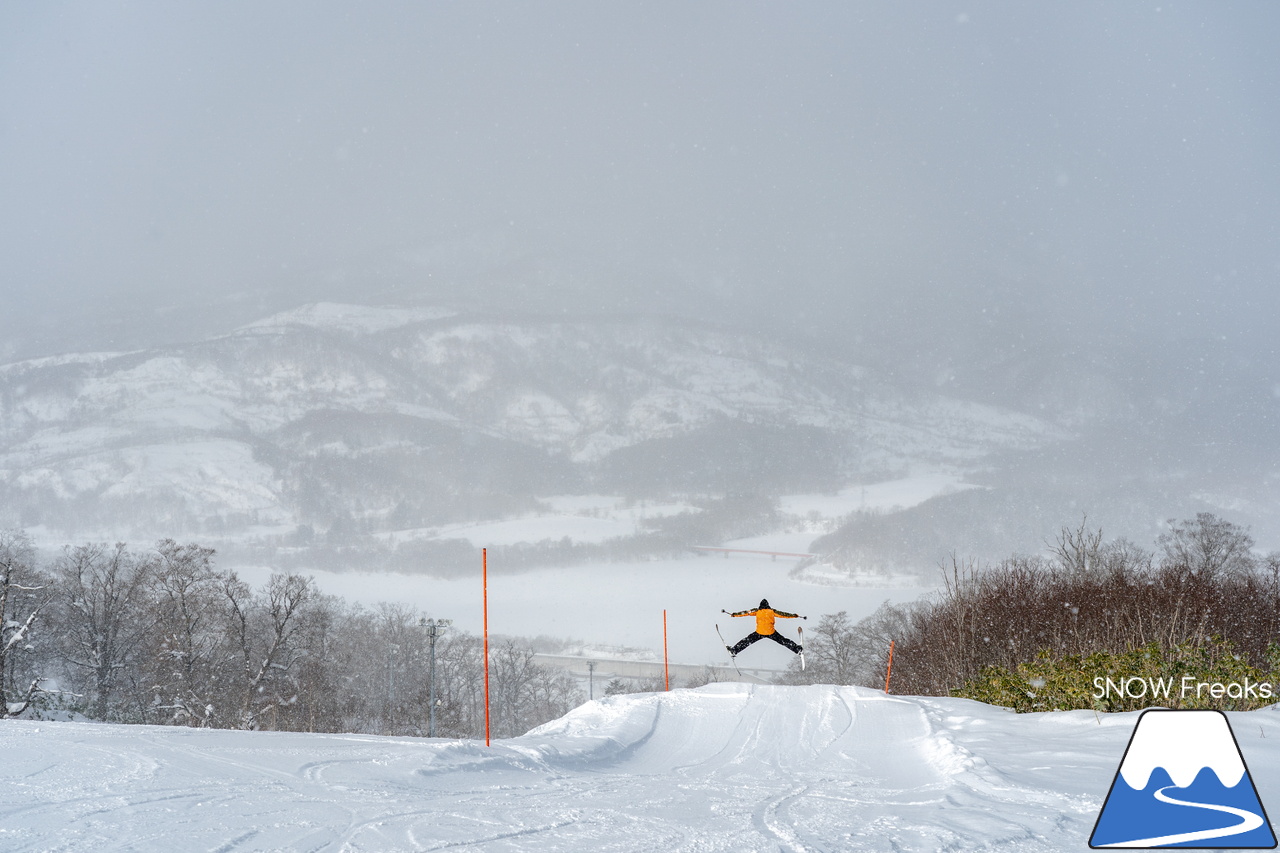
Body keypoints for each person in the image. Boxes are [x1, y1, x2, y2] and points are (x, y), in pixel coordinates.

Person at [722, 598, 805, 657]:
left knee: (746, 641)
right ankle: (797, 650)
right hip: (771, 632)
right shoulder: (772, 611)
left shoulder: (757, 611)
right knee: (784, 641)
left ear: (760, 606)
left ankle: (734, 651)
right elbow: (784, 614)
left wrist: (734, 614)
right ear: (768, 605)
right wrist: (794, 616)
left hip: (759, 632)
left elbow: (745, 613)